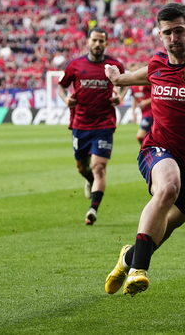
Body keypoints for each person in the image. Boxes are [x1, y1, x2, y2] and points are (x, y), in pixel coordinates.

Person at [104, 3, 185, 297]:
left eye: (179, 31)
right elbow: (142, 76)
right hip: (158, 149)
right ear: (161, 36)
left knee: (161, 229)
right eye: (168, 33)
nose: (174, 37)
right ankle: (139, 270)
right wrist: (117, 79)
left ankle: (129, 257)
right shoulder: (157, 64)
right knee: (167, 188)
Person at [57, 27, 127, 225]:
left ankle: (92, 210)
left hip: (104, 124)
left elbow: (125, 83)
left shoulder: (114, 65)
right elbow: (61, 86)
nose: (97, 44)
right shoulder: (75, 65)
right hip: (80, 124)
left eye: (101, 41)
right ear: (88, 42)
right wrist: (66, 99)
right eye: (94, 40)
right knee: (82, 167)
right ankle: (88, 179)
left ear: (106, 43)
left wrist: (119, 97)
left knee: (99, 168)